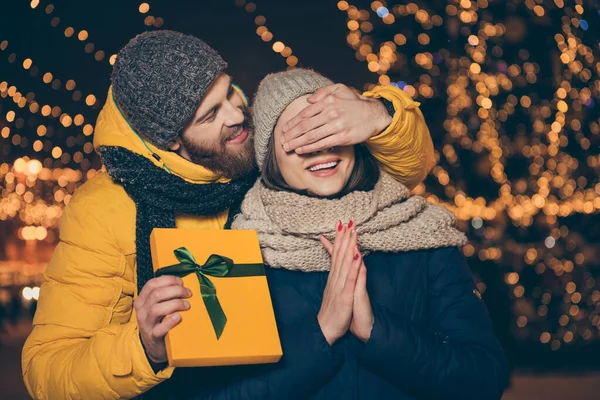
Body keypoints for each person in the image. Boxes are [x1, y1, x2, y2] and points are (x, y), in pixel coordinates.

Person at [21, 31, 435, 399]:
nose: (237, 116)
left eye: (229, 92)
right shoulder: (106, 211)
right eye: (209, 114)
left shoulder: (254, 152)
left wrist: (380, 116)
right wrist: (143, 347)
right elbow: (47, 370)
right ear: (169, 144)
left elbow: (394, 176)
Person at [169, 69, 509, 399]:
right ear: (269, 156)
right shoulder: (235, 254)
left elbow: (485, 379)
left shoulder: (422, 233)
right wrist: (322, 331)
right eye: (299, 136)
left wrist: (377, 329)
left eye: (329, 130)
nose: (320, 148)